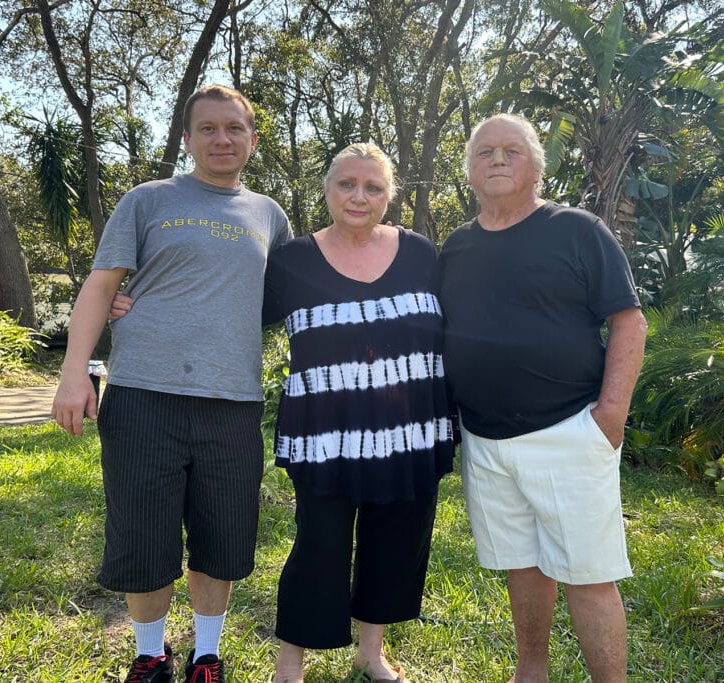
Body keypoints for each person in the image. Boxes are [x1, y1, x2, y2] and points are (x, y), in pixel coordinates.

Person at [51, 84, 292, 683]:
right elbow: (101, 286)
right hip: (143, 395)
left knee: (224, 538)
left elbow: (277, 301)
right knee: (145, 536)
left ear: (252, 140)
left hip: (232, 403)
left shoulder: (269, 215)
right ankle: (150, 655)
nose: (221, 138)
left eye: (234, 128)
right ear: (186, 139)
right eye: (206, 128)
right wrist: (73, 372)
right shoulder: (147, 199)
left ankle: (205, 656)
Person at [438, 114, 647, 683]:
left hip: (569, 431)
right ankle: (531, 672)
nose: (498, 160)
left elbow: (629, 321)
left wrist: (611, 415)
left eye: (511, 150)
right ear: (470, 170)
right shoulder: (455, 248)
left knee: (588, 574)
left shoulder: (576, 230)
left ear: (537, 166)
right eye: (485, 152)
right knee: (522, 566)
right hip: (484, 439)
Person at [263, 143, 457, 683]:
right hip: (325, 433)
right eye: (347, 184)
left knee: (396, 541)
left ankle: (371, 654)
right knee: (318, 545)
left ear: (389, 196)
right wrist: (138, 300)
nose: (358, 196)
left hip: (410, 429)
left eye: (373, 187)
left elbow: (468, 313)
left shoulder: (420, 253)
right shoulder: (292, 260)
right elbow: (230, 309)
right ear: (327, 190)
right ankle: (290, 663)